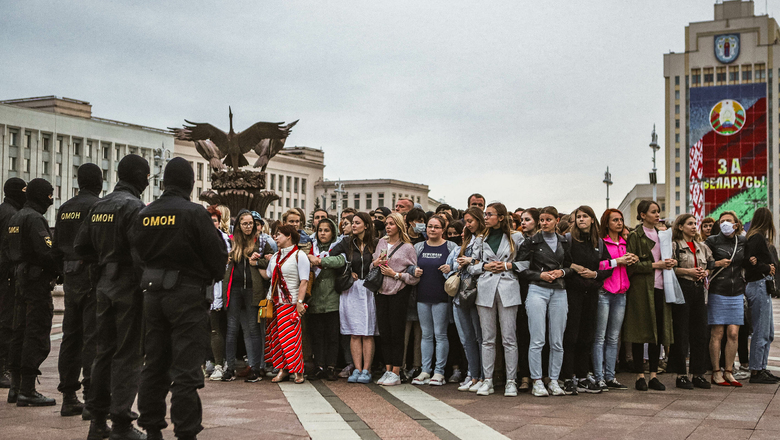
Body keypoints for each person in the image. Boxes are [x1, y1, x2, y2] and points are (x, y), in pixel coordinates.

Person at [131, 157, 228, 440]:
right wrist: (206, 276)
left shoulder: (145, 213)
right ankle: (186, 432)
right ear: (190, 183)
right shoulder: (194, 213)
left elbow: (135, 253)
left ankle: (151, 429)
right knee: (186, 368)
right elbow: (217, 257)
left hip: (152, 292)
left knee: (155, 363)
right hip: (186, 294)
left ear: (162, 183)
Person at [75, 154, 150, 440]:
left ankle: (96, 421)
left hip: (103, 284)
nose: (147, 181)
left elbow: (81, 246)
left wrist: (102, 262)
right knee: (128, 354)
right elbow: (140, 252)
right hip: (128, 284)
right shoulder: (134, 207)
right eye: (146, 176)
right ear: (139, 176)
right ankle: (121, 422)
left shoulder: (99, 205)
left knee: (102, 351)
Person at [52, 164, 102, 417]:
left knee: (71, 336)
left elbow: (57, 245)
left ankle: (68, 395)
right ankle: (91, 396)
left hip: (70, 276)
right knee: (92, 336)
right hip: (92, 275)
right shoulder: (97, 206)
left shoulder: (65, 208)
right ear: (99, 182)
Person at [5, 178, 59, 407]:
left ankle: (16, 388)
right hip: (36, 284)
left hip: (20, 281)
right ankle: (27, 390)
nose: (51, 199)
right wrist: (60, 267)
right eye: (49, 195)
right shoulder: (35, 219)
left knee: (19, 333)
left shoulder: (16, 216)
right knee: (35, 335)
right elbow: (46, 253)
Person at [516, 206, 572, 397]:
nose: (544, 223)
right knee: (537, 339)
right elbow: (520, 268)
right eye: (542, 220)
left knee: (557, 340)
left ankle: (554, 380)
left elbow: (570, 266)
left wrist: (562, 272)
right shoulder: (531, 242)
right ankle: (537, 380)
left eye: (548, 219)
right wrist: (540, 275)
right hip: (537, 289)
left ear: (557, 220)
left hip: (559, 290)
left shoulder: (564, 241)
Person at [623, 200, 675, 392]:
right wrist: (656, 265)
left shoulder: (663, 235)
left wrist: (670, 262)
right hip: (641, 288)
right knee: (640, 332)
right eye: (653, 212)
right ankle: (639, 375)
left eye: (658, 211)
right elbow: (632, 264)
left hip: (661, 287)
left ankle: (653, 375)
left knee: (658, 333)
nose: (657, 215)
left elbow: (665, 259)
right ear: (642, 215)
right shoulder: (636, 235)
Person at [561, 206, 613, 395]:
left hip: (591, 293)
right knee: (571, 336)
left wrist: (595, 274)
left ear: (592, 219)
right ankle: (567, 377)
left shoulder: (598, 242)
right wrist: (574, 269)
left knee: (587, 336)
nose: (581, 219)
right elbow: (561, 263)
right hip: (572, 293)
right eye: (578, 217)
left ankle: (583, 376)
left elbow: (609, 266)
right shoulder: (567, 240)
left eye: (585, 216)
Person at [326, 212, 377, 384]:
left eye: (357, 222)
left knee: (368, 332)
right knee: (355, 332)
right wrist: (346, 272)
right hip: (352, 289)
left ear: (366, 225)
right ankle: (357, 368)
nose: (353, 225)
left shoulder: (375, 243)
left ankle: (367, 369)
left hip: (369, 288)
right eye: (352, 223)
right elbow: (331, 257)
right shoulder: (346, 242)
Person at [221, 210, 271, 382]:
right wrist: (226, 258)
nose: (249, 227)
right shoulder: (231, 242)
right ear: (239, 226)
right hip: (233, 289)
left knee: (253, 329)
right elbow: (221, 258)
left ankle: (256, 369)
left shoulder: (262, 241)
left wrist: (258, 260)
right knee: (232, 329)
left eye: (251, 223)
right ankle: (230, 368)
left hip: (252, 289)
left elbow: (272, 260)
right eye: (245, 224)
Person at [411, 215, 458, 386]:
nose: (432, 230)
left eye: (436, 227)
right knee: (426, 334)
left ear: (443, 229)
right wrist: (413, 270)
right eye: (430, 226)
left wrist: (451, 267)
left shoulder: (451, 246)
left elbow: (460, 264)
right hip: (422, 296)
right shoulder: (418, 247)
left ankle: (439, 372)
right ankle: (425, 370)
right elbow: (408, 264)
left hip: (442, 297)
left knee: (440, 334)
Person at [373, 213, 420, 386]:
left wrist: (396, 275)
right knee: (384, 332)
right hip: (381, 291)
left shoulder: (408, 247)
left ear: (399, 225)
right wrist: (376, 262)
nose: (388, 226)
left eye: (392, 224)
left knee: (397, 332)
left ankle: (397, 371)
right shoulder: (381, 243)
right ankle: (387, 369)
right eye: (387, 223)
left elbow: (414, 276)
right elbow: (372, 265)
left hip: (398, 292)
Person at [262, 225, 311, 384]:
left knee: (290, 338)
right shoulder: (275, 256)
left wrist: (300, 302)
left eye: (279, 235)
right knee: (277, 338)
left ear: (289, 236)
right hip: (275, 303)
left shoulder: (299, 255)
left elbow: (304, 281)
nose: (276, 238)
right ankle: (283, 369)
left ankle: (297, 370)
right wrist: (255, 262)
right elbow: (268, 276)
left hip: (290, 303)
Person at [592, 209, 635, 391]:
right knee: (600, 336)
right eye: (615, 220)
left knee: (613, 337)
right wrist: (619, 260)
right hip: (604, 291)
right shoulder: (601, 243)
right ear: (606, 223)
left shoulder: (626, 243)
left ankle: (610, 376)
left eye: (621, 220)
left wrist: (633, 259)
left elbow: (628, 264)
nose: (619, 223)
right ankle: (598, 376)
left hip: (621, 292)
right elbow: (596, 264)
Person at [669, 214, 713, 390]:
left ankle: (698, 374)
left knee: (700, 332)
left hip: (699, 290)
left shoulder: (702, 246)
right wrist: (688, 271)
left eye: (695, 223)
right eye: (690, 224)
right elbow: (670, 268)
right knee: (681, 332)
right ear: (680, 227)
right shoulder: (675, 246)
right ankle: (681, 374)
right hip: (682, 288)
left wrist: (705, 273)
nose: (694, 227)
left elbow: (711, 264)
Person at [705, 211, 748, 386]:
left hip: (736, 291)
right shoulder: (712, 241)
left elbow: (748, 261)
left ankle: (729, 371)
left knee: (733, 333)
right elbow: (702, 261)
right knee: (718, 333)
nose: (725, 224)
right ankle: (716, 371)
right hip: (718, 290)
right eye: (722, 221)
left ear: (736, 224)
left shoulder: (743, 241)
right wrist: (716, 263)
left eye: (728, 221)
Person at [448, 207, 486, 392]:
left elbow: (484, 263)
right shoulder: (466, 239)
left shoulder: (484, 239)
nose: (468, 225)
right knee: (467, 338)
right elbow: (454, 263)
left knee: (480, 336)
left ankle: (483, 376)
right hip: (461, 292)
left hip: (477, 291)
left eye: (471, 221)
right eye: (466, 221)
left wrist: (469, 262)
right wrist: (461, 262)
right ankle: (473, 375)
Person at [743, 208, 780, 384]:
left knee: (767, 331)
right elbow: (748, 261)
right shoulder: (757, 237)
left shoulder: (755, 235)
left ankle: (761, 367)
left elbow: (752, 260)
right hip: (758, 285)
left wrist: (764, 265)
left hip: (760, 285)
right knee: (761, 331)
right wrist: (766, 268)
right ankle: (757, 370)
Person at [306, 217, 342, 381]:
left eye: (326, 230)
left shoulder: (337, 247)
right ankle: (319, 366)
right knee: (317, 335)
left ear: (333, 232)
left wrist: (319, 261)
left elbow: (340, 261)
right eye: (320, 230)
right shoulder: (310, 247)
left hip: (332, 298)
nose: (322, 233)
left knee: (332, 335)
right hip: (314, 298)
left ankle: (331, 366)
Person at [0, 177, 25, 389]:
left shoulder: (3, 210)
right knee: (7, 322)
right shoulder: (12, 215)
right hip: (7, 275)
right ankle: (2, 369)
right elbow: (11, 248)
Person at [206, 205, 231, 382]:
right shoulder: (201, 237)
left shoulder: (223, 239)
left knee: (218, 328)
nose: (211, 223)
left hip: (219, 286)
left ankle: (220, 364)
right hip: (205, 285)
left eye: (214, 220)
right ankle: (209, 360)